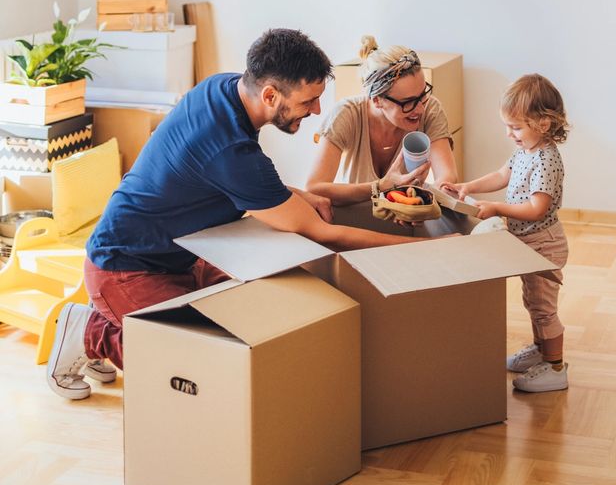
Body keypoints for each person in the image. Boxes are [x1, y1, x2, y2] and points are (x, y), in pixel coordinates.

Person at [46, 28, 419, 400]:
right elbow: (321, 233)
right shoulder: (233, 151)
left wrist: (300, 195)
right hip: (124, 268)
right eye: (310, 101)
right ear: (270, 94)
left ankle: (114, 330)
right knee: (197, 370)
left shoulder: (224, 89)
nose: (317, 110)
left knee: (258, 308)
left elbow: (229, 179)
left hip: (179, 252)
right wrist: (406, 247)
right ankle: (90, 331)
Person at [442, 73, 570, 393]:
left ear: (542, 123)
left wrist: (497, 209)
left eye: (516, 127)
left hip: (543, 244)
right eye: (508, 126)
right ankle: (542, 352)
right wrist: (467, 186)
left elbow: (536, 208)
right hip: (527, 243)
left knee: (543, 307)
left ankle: (556, 368)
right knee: (532, 302)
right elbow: (502, 175)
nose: (509, 133)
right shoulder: (526, 150)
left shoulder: (547, 159)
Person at [306, 36, 458, 220]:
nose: (420, 108)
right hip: (356, 220)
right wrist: (380, 187)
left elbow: (447, 176)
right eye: (408, 102)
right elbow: (315, 187)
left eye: (422, 94)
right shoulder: (346, 114)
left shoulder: (431, 109)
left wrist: (417, 201)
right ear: (377, 100)